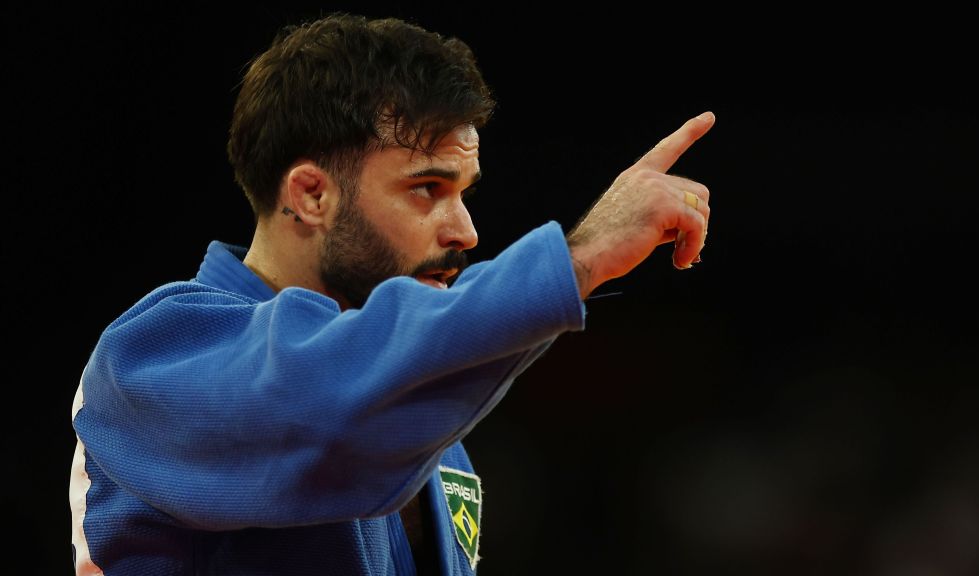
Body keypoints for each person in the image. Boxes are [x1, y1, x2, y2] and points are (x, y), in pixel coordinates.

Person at [68, 12, 714, 576]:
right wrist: (581, 258)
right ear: (312, 194)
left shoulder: (414, 410)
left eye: (465, 191)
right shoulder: (155, 358)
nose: (465, 230)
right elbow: (322, 403)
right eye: (426, 189)